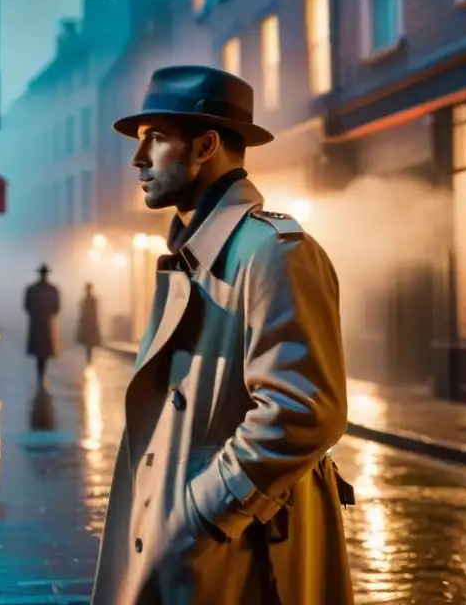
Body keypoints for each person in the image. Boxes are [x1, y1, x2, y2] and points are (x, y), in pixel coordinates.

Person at [90, 65, 355, 605]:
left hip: (238, 555)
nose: (139, 161)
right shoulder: (192, 257)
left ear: (206, 144)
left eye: (156, 140)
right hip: (187, 547)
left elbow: (303, 411)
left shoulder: (274, 252)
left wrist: (197, 516)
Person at [24, 263, 60, 385]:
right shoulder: (52, 290)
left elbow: (26, 306)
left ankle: (40, 372)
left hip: (37, 322)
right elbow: (56, 308)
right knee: (44, 349)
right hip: (46, 322)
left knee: (39, 349)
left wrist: (35, 313)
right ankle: (41, 371)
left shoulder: (32, 289)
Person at [76, 282, 102, 364]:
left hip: (89, 322)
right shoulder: (88, 300)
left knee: (89, 341)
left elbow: (94, 312)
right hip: (88, 322)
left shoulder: (88, 300)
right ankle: (88, 355)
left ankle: (89, 355)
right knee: (88, 341)